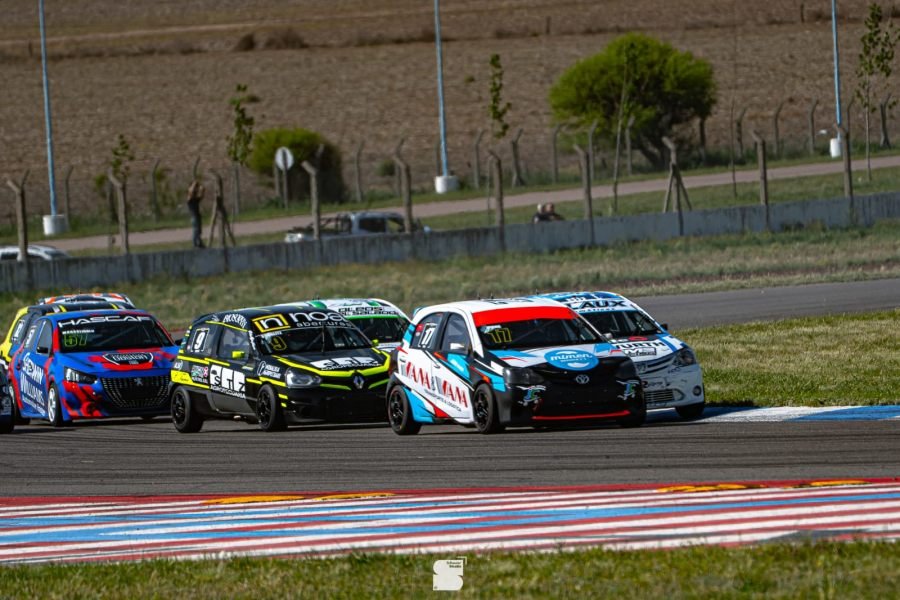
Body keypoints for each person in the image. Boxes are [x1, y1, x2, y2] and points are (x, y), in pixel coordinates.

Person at [186, 178, 205, 248]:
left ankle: (199, 242)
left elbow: (201, 196)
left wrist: (202, 190)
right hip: (194, 217)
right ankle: (195, 244)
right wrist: (195, 183)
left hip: (197, 216)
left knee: (199, 231)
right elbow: (191, 191)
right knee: (196, 230)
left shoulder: (195, 199)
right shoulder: (189, 198)